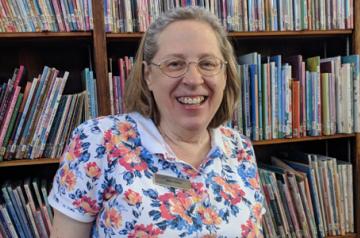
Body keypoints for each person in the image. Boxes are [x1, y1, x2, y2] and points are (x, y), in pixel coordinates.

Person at [49, 6, 265, 237]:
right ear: (148, 75)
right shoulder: (98, 142)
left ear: (225, 74)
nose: (193, 79)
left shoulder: (239, 148)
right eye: (175, 64)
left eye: (208, 63)